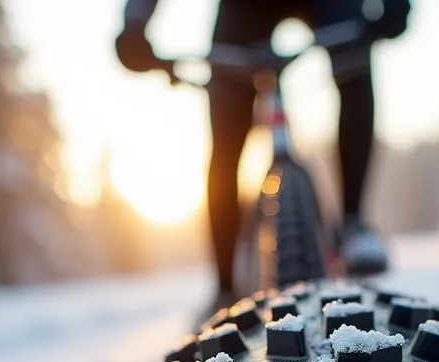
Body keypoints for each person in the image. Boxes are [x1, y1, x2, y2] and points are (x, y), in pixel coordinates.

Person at [115, 0, 410, 314]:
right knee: (226, 130)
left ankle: (353, 224)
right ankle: (225, 286)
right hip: (243, 8)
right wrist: (135, 22)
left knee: (354, 63)